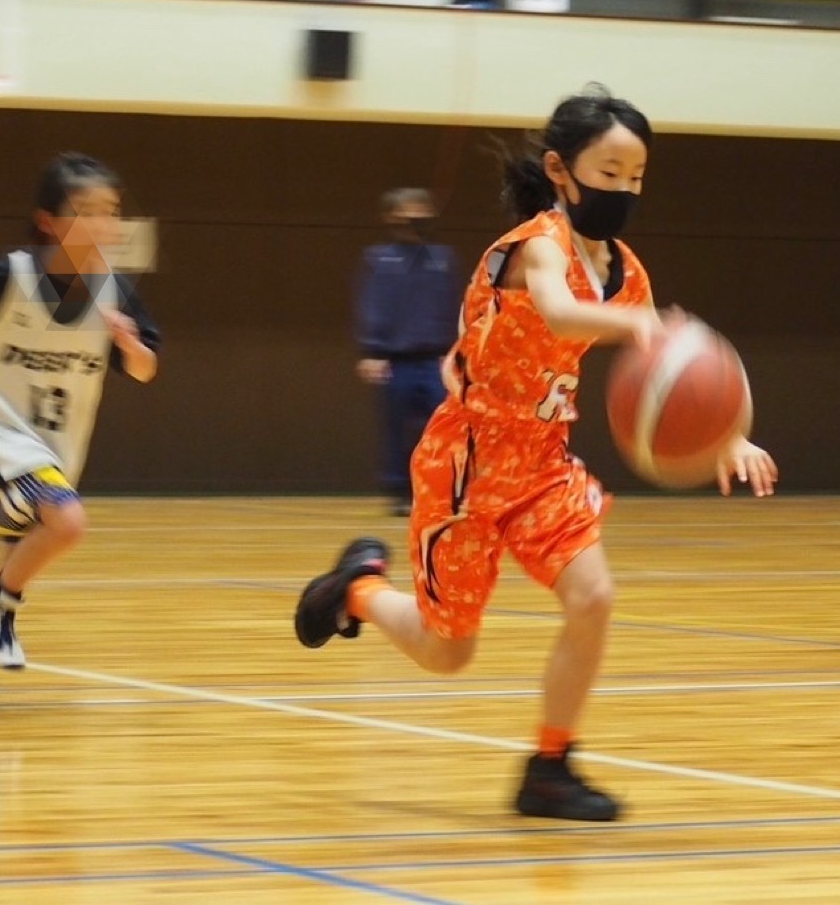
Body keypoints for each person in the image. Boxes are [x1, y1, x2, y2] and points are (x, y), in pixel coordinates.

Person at [295, 85, 778, 821]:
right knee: (448, 652)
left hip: (543, 463)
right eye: (609, 172)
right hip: (466, 463)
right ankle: (359, 589)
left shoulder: (626, 272)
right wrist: (637, 328)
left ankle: (550, 768)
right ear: (560, 170)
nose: (623, 189)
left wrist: (724, 434)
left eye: (636, 177)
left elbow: (671, 369)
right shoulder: (535, 246)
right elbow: (558, 311)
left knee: (595, 598)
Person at [0, 153, 161, 702]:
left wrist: (128, 344)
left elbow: (145, 370)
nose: (103, 224)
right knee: (67, 522)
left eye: (111, 211)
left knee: (19, 554)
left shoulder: (115, 292)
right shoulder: (10, 277)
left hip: (56, 446)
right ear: (49, 221)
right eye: (86, 211)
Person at [354, 188, 462, 517]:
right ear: (391, 216)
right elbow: (372, 304)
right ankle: (399, 490)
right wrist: (372, 351)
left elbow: (454, 304)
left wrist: (454, 350)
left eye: (421, 208)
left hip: (436, 360)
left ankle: (439, 489)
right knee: (396, 429)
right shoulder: (379, 259)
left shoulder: (442, 258)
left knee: (443, 428)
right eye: (407, 209)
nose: (415, 215)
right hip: (396, 361)